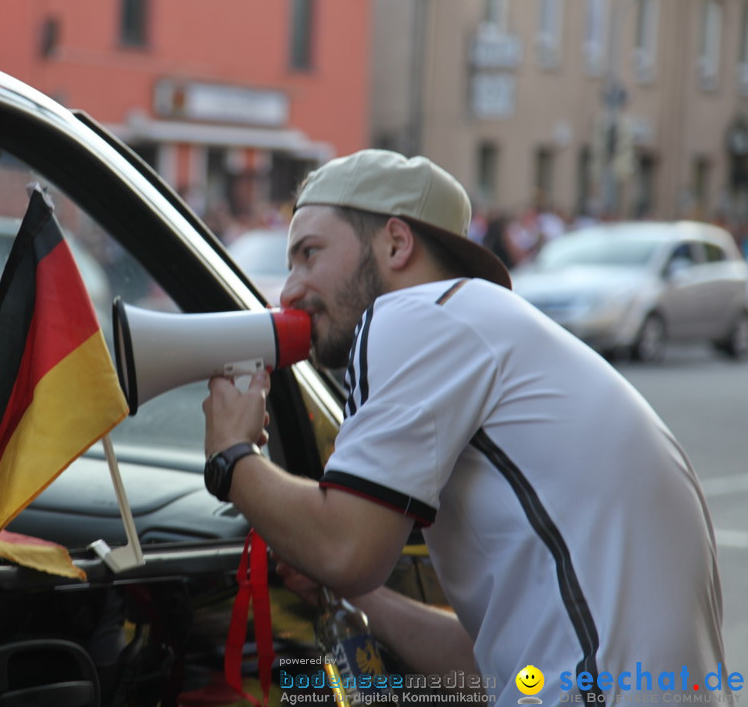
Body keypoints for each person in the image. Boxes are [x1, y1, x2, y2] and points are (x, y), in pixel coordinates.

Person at [200, 150, 726, 703]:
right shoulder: (480, 322)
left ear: (396, 244)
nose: (289, 290)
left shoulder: (418, 315)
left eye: (309, 254)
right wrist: (360, 599)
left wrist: (232, 455)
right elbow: (494, 669)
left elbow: (348, 551)